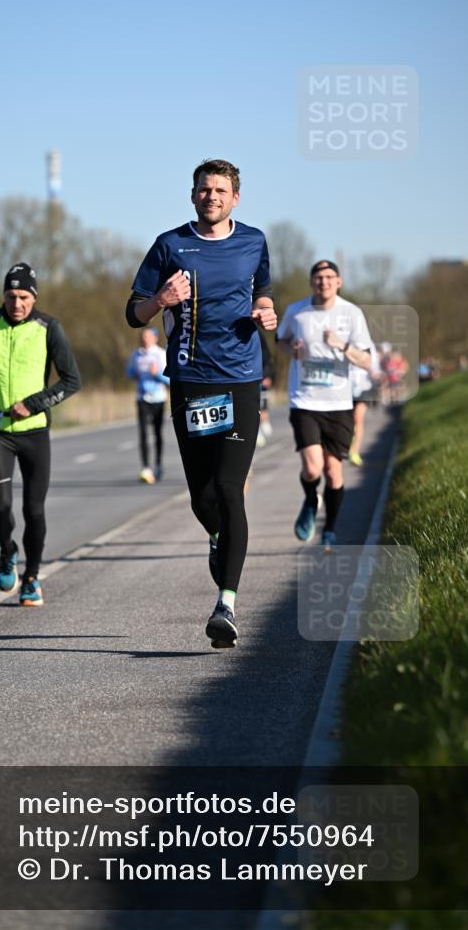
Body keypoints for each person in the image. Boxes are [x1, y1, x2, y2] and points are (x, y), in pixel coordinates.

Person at [126, 159, 277, 649]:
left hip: (240, 379)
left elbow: (264, 293)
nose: (211, 196)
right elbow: (134, 312)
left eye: (220, 190)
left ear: (235, 198)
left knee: (230, 489)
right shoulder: (170, 245)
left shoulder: (254, 241)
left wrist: (266, 311)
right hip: (189, 379)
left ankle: (226, 604)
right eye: (203, 189)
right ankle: (217, 536)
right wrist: (162, 300)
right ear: (192, 196)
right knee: (202, 496)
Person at [0, 262, 81, 605]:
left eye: (24, 296)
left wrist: (36, 403)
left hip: (34, 431)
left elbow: (72, 380)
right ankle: (7, 551)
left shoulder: (48, 327)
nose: (17, 303)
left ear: (34, 297)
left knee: (34, 511)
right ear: (3, 296)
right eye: (11, 296)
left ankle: (32, 577)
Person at [276, 259, 372, 551]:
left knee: (333, 473)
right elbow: (280, 341)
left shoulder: (352, 313)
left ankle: (329, 529)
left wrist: (342, 345)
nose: (324, 282)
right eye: (319, 277)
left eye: (330, 277)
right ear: (311, 282)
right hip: (304, 401)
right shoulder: (296, 311)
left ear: (338, 282)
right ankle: (309, 499)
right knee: (312, 469)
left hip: (339, 404)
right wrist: (291, 349)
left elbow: (368, 361)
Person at [126, 328, 169, 483]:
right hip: (142, 398)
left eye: (148, 336)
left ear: (155, 338)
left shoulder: (160, 354)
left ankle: (158, 464)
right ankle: (145, 467)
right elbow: (129, 373)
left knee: (157, 433)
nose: (145, 339)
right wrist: (135, 374)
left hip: (158, 398)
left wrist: (156, 374)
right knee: (143, 433)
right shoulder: (136, 355)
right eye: (143, 336)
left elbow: (169, 379)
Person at [349, 341, 380, 466]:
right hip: (346, 388)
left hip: (364, 387)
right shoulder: (342, 341)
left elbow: (375, 366)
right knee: (347, 420)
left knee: (358, 418)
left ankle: (354, 452)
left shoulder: (368, 345)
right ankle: (347, 442)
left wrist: (374, 373)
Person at [256, 334, 275, 447]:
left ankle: (263, 422)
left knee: (262, 406)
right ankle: (257, 432)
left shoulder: (259, 335)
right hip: (244, 378)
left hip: (261, 377)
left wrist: (269, 376)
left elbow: (267, 358)